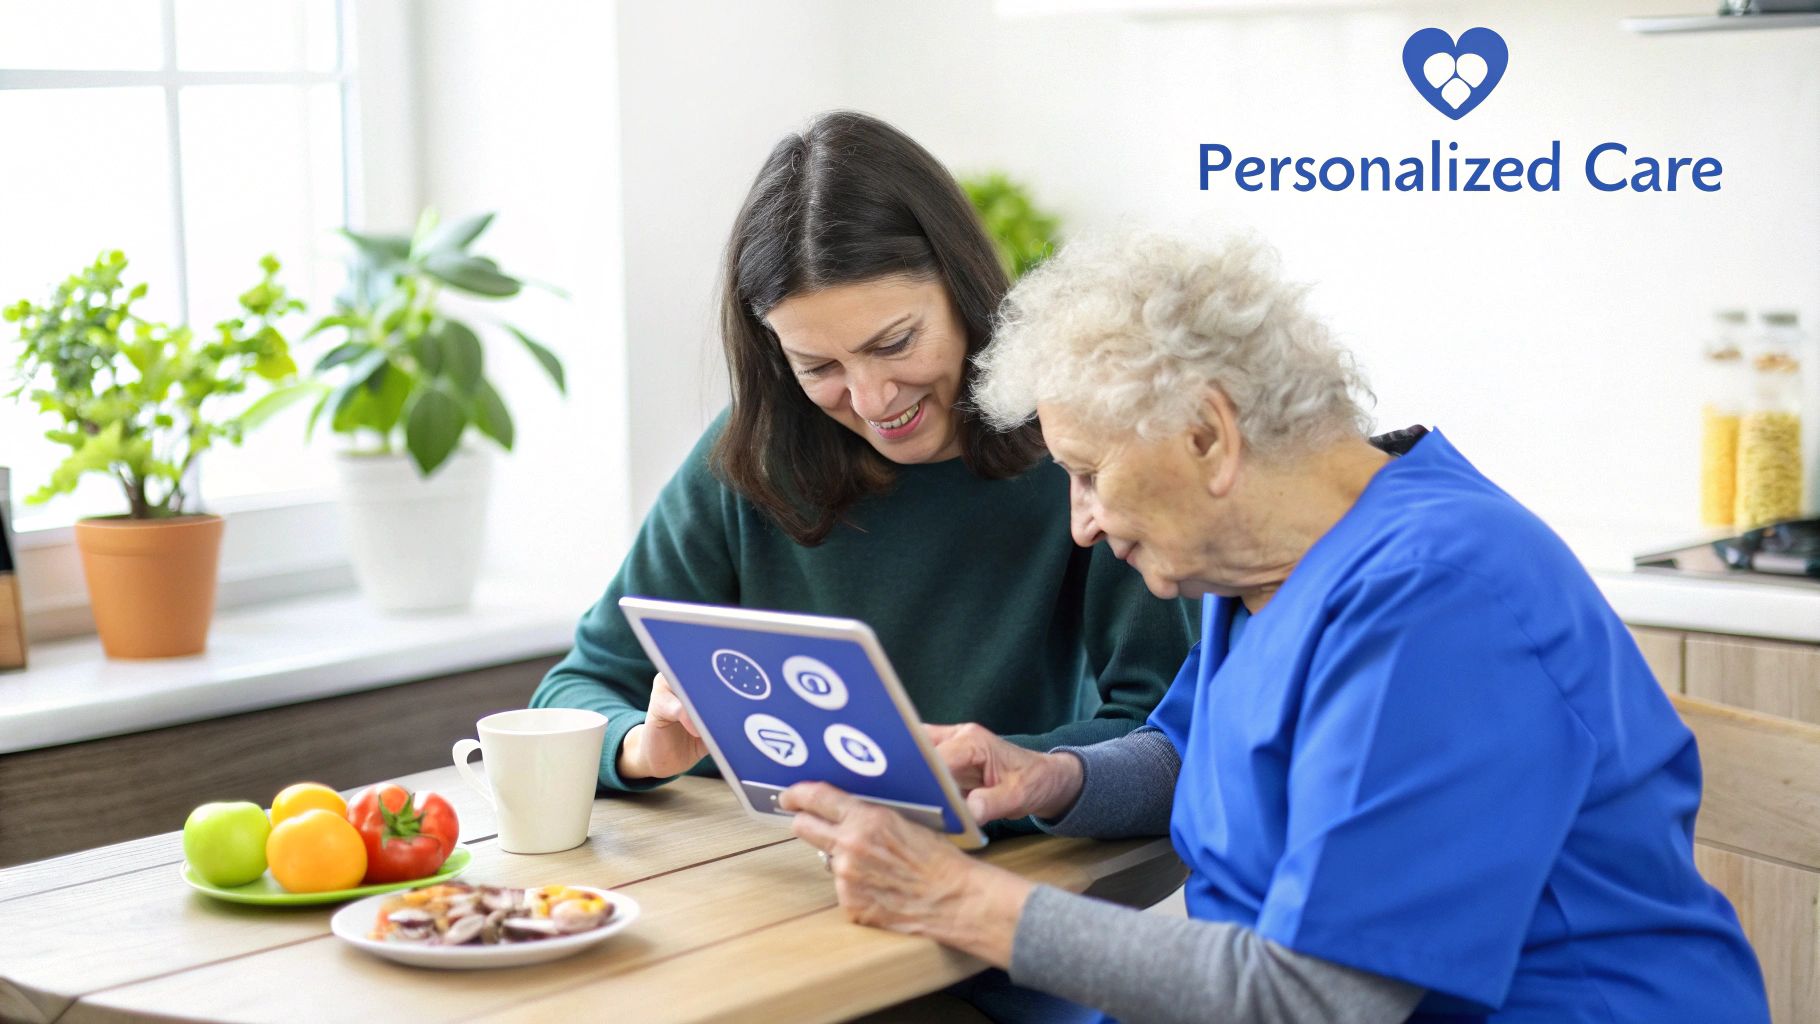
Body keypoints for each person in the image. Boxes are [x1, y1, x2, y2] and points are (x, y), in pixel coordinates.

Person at [782, 229, 1770, 1023]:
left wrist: (956, 899)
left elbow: (1317, 995)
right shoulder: (1261, 560)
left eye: (1088, 473)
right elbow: (1203, 744)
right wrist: (1054, 776)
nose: (1080, 521)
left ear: (1208, 434)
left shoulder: (1436, 598)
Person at [530, 112, 1195, 806]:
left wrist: (990, 771)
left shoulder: (1077, 452)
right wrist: (643, 744)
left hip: (991, 869)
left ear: (961, 290)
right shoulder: (751, 457)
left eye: (896, 342)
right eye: (818, 365)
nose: (872, 399)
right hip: (763, 870)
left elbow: (1163, 740)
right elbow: (574, 691)